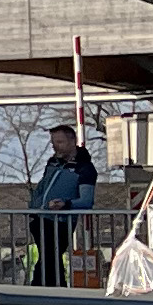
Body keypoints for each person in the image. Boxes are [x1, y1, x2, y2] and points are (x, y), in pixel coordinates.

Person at [30, 120, 98, 288]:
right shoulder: (53, 163)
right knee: (48, 256)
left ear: (72, 142)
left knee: (50, 255)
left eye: (59, 142)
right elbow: (42, 187)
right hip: (42, 217)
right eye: (53, 143)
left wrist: (65, 204)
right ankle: (49, 286)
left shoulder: (84, 168)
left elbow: (86, 200)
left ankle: (45, 287)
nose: (55, 147)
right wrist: (35, 205)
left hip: (61, 220)